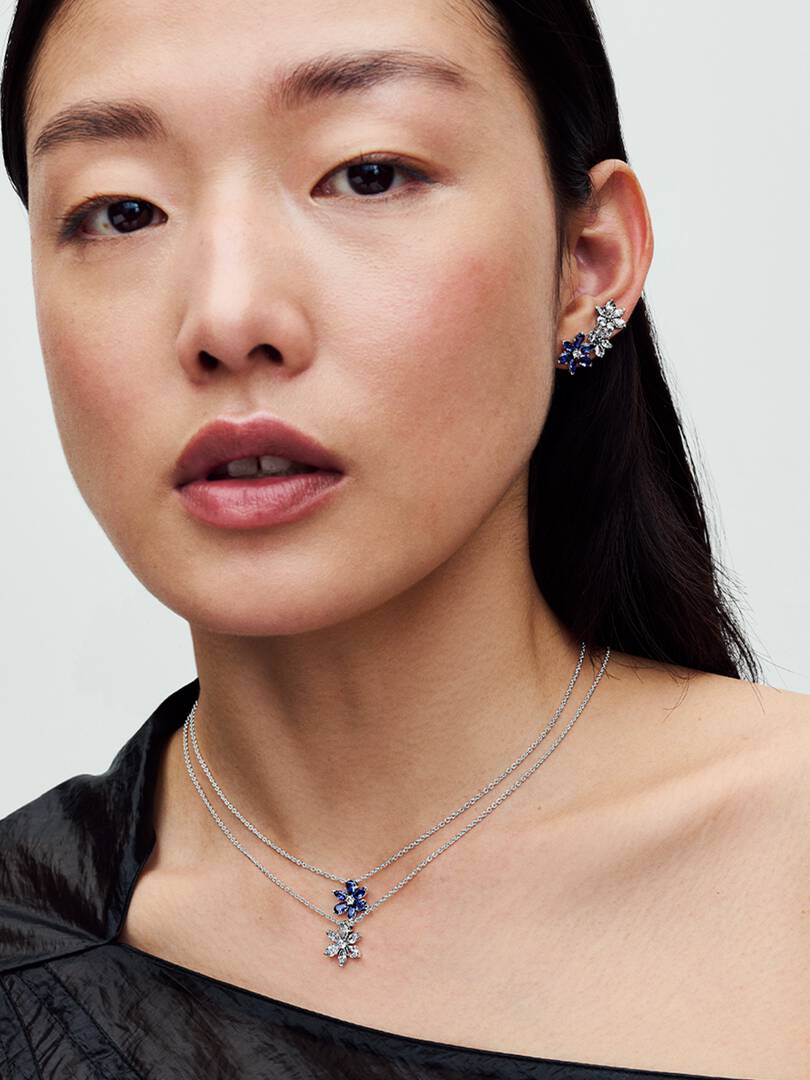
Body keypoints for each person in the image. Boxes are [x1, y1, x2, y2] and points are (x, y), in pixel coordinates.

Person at [0, 0, 807, 1077]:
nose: (229, 319)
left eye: (368, 174)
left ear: (588, 261)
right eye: (122, 211)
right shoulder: (25, 946)